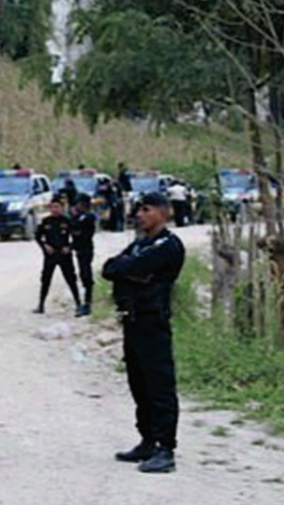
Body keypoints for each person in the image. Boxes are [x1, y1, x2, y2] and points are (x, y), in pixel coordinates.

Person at [102, 191, 186, 474]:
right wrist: (130, 272)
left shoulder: (168, 245)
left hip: (153, 321)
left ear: (163, 212)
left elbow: (139, 267)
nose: (139, 215)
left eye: (146, 210)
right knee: (139, 384)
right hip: (132, 320)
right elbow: (109, 268)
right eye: (138, 210)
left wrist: (130, 271)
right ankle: (147, 439)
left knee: (159, 385)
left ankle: (166, 448)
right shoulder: (140, 245)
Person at [33, 196, 82, 315]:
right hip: (51, 255)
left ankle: (78, 304)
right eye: (52, 207)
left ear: (62, 208)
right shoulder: (46, 221)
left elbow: (78, 237)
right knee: (45, 279)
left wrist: (70, 247)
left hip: (64, 254)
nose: (55, 209)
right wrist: (44, 246)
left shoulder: (67, 221)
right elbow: (38, 236)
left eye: (57, 207)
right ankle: (41, 305)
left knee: (71, 279)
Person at [70, 193, 97, 317]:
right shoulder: (79, 216)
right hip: (79, 248)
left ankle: (88, 302)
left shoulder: (88, 217)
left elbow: (78, 229)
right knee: (82, 274)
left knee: (86, 274)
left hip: (86, 248)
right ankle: (84, 302)